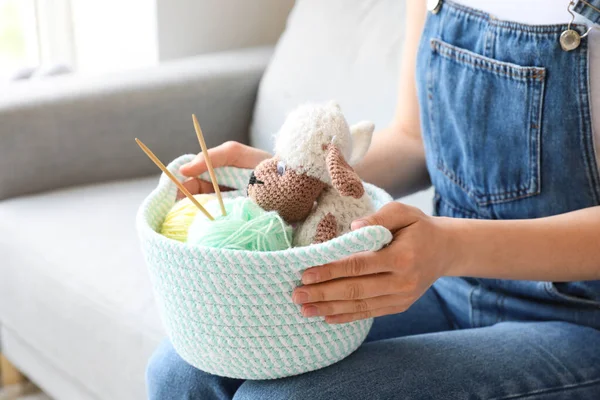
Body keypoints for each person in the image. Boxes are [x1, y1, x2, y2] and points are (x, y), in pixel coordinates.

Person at [147, 0, 600, 398]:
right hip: (450, 282)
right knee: (181, 372)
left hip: (580, 318)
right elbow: (413, 140)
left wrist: (449, 248)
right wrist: (300, 181)